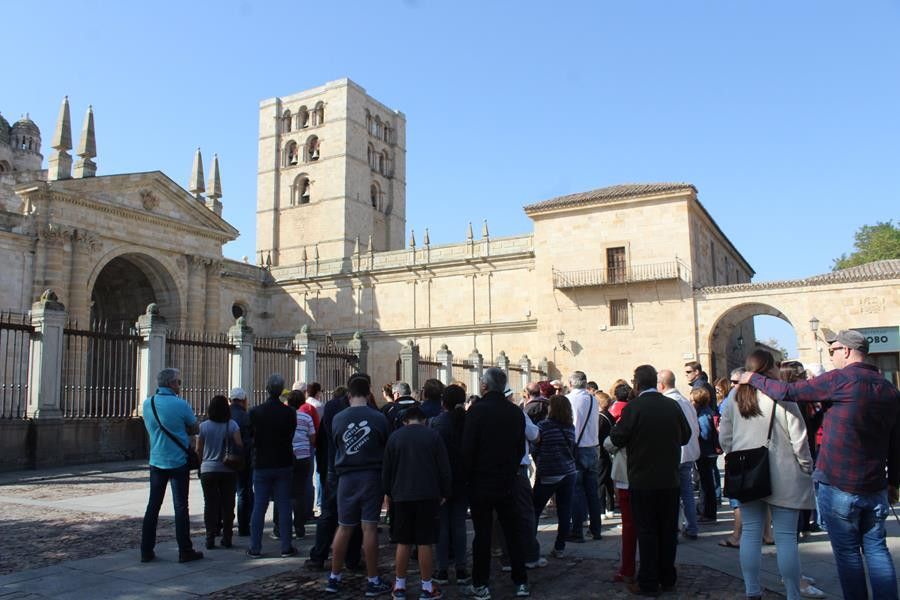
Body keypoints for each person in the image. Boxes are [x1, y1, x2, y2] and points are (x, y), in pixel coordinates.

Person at [738, 330, 900, 600]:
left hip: (839, 483)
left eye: (833, 350)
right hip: (875, 485)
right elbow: (896, 443)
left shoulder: (840, 380)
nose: (832, 356)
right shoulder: (889, 388)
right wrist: (894, 482)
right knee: (877, 550)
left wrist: (752, 377)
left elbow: (788, 391)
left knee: (848, 554)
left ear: (846, 351)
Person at [722, 349, 815, 600]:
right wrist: (806, 465)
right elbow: (799, 438)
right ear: (770, 368)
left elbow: (725, 437)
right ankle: (793, 593)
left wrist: (737, 454)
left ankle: (752, 589)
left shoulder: (734, 396)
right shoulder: (781, 395)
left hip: (748, 472)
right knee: (785, 538)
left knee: (751, 533)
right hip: (784, 472)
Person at [609, 364, 690, 597]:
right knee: (667, 530)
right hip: (669, 479)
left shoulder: (634, 408)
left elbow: (617, 437)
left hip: (643, 480)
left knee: (646, 532)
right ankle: (667, 576)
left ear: (636, 383)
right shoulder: (672, 405)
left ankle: (648, 582)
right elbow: (685, 436)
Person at [462, 367, 530, 598]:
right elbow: (520, 447)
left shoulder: (476, 412)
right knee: (512, 532)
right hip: (507, 480)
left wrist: (467, 478)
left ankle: (481, 583)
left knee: (482, 535)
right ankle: (521, 580)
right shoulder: (515, 412)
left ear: (484, 386)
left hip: (481, 481)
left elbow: (468, 449)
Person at [326, 374, 392, 596]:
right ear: (369, 392)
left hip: (346, 477)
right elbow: (386, 445)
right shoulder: (378, 417)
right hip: (371, 476)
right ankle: (373, 579)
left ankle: (334, 577)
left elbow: (336, 443)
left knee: (344, 527)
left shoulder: (338, 418)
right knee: (369, 527)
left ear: (349, 394)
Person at [383, 405, 452, 599]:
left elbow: (386, 469)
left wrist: (388, 493)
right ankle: (427, 585)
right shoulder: (433, 436)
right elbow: (443, 467)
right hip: (428, 494)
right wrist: (445, 491)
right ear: (423, 420)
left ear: (405, 421)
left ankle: (400, 584)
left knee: (403, 541)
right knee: (425, 542)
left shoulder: (395, 437)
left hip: (401, 495)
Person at [140, 368, 203, 563]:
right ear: (171, 384)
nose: (179, 386)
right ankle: (185, 550)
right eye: (178, 382)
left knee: (153, 506)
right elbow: (194, 427)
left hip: (157, 460)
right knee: (181, 507)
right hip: (178, 461)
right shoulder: (181, 404)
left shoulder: (147, 403)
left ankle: (146, 550)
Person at [306, 385, 364, 572]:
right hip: (353, 467)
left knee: (329, 513)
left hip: (333, 466)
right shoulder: (366, 410)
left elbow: (323, 440)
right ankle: (352, 558)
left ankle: (319, 556)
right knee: (353, 515)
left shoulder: (330, 408)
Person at [247, 373, 297, 558]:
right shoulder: (289, 412)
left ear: (267, 389)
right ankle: (286, 546)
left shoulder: (255, 412)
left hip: (262, 462)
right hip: (283, 461)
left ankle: (255, 547)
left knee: (259, 505)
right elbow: (291, 434)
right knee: (284, 505)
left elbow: (250, 437)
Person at [430, 384, 470, 586]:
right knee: (459, 525)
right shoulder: (468, 421)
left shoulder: (437, 423)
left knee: (443, 527)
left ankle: (442, 568)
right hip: (463, 480)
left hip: (441, 481)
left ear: (443, 402)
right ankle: (461, 568)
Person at [531, 394, 577, 559]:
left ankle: (530, 546)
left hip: (549, 473)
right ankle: (560, 547)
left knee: (534, 509)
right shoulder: (570, 427)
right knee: (565, 511)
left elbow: (534, 448)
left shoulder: (543, 426)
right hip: (569, 472)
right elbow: (572, 447)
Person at [657, 370, 701, 540]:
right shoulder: (685, 401)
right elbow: (695, 428)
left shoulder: (667, 402)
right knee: (687, 493)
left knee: (673, 495)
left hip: (674, 454)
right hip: (688, 452)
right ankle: (692, 527)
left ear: (661, 385)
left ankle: (674, 530)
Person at [197, 394, 243, 549]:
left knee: (210, 504)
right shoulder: (232, 425)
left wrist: (200, 465)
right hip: (227, 469)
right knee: (228, 504)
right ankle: (227, 537)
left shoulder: (203, 426)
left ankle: (210, 537)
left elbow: (199, 449)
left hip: (208, 469)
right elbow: (239, 445)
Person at [567, 370, 603, 542]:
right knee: (592, 492)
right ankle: (596, 529)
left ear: (571, 383)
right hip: (592, 446)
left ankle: (577, 530)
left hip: (577, 448)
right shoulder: (592, 399)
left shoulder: (569, 399)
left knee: (577, 491)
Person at [604, 427, 635, 585]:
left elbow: (609, 443)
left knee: (629, 527)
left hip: (627, 478)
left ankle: (627, 569)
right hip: (651, 478)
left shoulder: (628, 422)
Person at [286, 390, 315, 539]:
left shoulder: (284, 417)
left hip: (287, 457)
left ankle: (281, 527)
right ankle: (299, 527)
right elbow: (312, 439)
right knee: (300, 492)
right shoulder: (306, 417)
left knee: (284, 492)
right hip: (303, 457)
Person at [229, 387, 254, 537]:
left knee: (224, 493)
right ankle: (243, 526)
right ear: (244, 400)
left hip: (224, 459)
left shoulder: (222, 413)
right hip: (243, 459)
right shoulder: (246, 416)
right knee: (243, 492)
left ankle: (220, 526)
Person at [691, 387, 718, 522]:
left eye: (692, 400)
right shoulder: (706, 412)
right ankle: (707, 511)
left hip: (705, 453)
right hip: (707, 452)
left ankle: (709, 513)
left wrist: (696, 434)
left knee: (706, 484)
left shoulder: (703, 415)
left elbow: (705, 434)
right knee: (706, 483)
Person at [595, 390, 617, 515]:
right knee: (608, 480)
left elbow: (596, 435)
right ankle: (610, 507)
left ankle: (601, 509)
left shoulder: (599, 418)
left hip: (600, 452)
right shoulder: (609, 416)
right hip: (608, 452)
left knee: (600, 481)